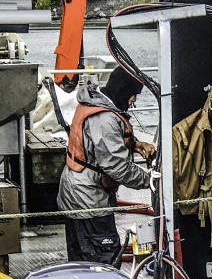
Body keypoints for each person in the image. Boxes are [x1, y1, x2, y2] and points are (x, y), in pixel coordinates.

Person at [58, 67, 156, 264]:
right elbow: (117, 167)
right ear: (122, 91)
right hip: (88, 201)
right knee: (104, 260)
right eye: (133, 95)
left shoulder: (95, 102)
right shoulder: (104, 118)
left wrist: (134, 144)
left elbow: (97, 143)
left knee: (81, 261)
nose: (133, 101)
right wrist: (151, 180)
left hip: (78, 194)